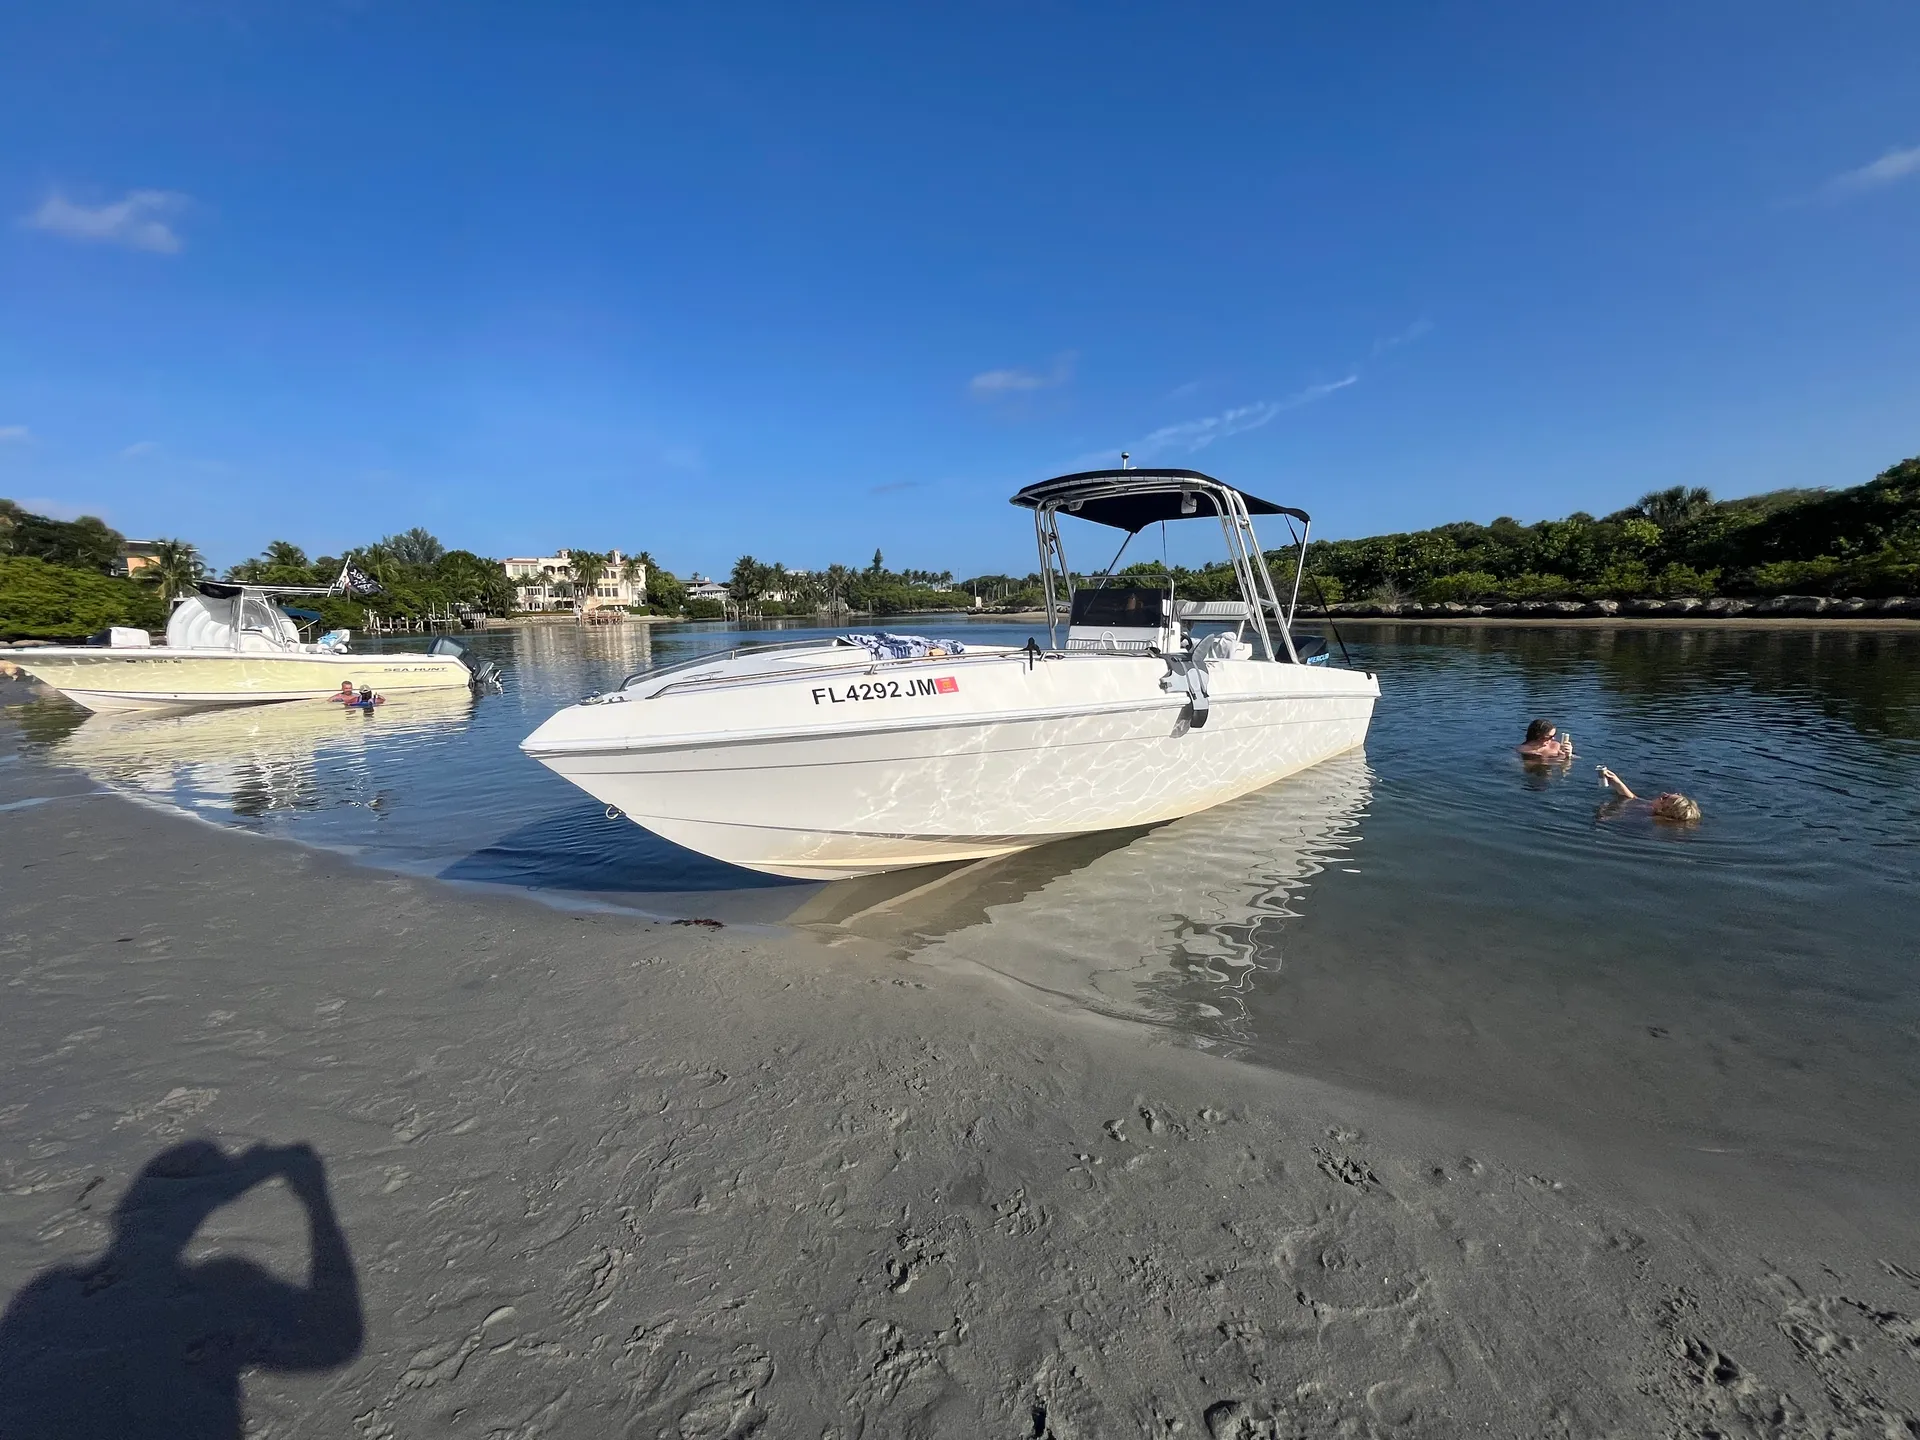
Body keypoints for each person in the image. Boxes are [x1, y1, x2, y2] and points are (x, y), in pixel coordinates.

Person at [1597, 765, 1702, 823]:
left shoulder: (1646, 817)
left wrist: (1605, 815)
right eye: (1676, 793)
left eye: (1665, 797)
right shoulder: (1651, 806)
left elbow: (1622, 817)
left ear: (1662, 810)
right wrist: (1616, 781)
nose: (1663, 793)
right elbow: (1633, 798)